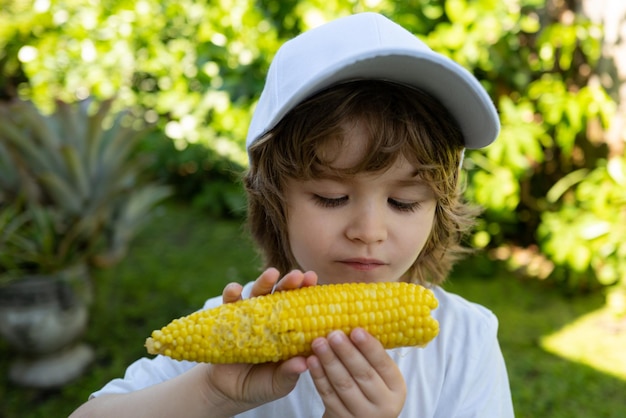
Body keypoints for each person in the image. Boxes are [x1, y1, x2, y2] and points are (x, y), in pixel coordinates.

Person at [70, 12, 514, 418]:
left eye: (404, 202)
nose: (369, 232)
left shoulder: (464, 343)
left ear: (439, 210)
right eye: (331, 197)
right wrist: (212, 393)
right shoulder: (230, 337)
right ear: (273, 202)